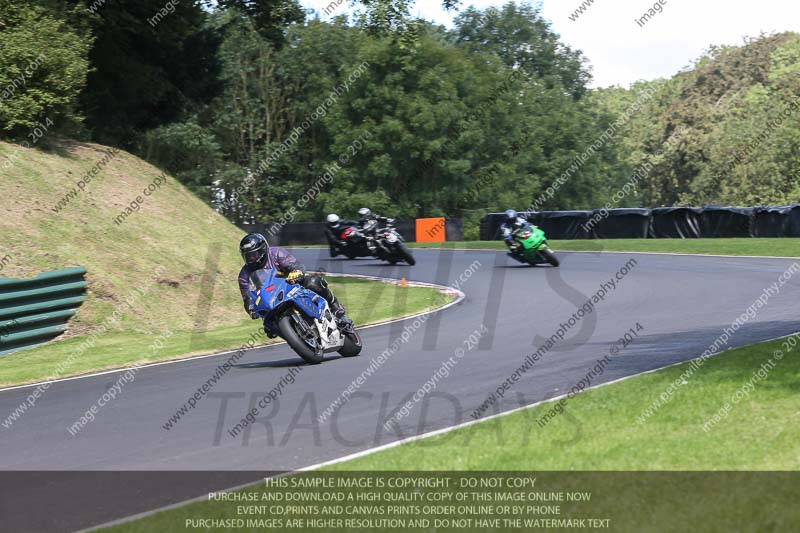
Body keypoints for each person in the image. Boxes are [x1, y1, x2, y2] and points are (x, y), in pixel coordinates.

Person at [237, 233, 353, 332]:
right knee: (269, 328)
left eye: (253, 255)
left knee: (313, 282)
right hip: (271, 301)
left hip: (291, 286)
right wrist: (251, 309)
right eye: (247, 256)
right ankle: (297, 335)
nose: (251, 259)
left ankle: (335, 306)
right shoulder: (244, 275)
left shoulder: (276, 253)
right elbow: (247, 298)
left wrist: (296, 272)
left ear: (262, 250)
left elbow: (296, 265)